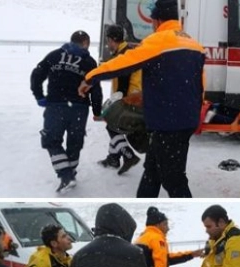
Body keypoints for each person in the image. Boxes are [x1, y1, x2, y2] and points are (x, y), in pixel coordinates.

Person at [79, 0, 205, 198]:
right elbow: (199, 87)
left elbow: (123, 63)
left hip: (168, 124)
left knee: (174, 179)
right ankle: (146, 202)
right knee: (152, 172)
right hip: (184, 120)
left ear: (156, 20)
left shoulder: (157, 42)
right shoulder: (194, 44)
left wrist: (90, 77)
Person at [30, 30, 103, 193]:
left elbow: (37, 74)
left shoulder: (54, 55)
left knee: (51, 140)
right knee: (75, 142)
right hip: (79, 108)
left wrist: (39, 96)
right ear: (85, 43)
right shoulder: (89, 62)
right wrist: (97, 111)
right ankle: (70, 174)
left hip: (56, 105)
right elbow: (95, 89)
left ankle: (66, 175)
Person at [97, 24, 141, 175]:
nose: (107, 44)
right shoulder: (126, 51)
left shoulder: (124, 55)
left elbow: (123, 81)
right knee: (113, 124)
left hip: (131, 99)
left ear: (113, 39)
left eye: (108, 40)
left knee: (112, 124)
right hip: (134, 97)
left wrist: (115, 102)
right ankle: (113, 158)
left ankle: (128, 155)